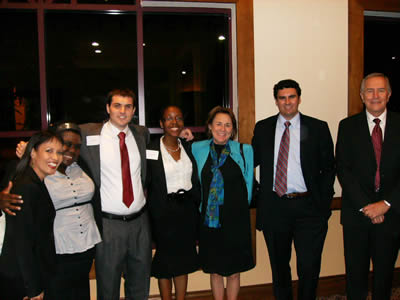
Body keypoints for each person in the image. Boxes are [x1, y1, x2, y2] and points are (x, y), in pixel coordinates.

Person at [252, 79, 335, 300]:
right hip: (275, 207)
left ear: (299, 98)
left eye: (292, 97)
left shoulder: (318, 128)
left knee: (309, 269)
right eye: (282, 98)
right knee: (279, 269)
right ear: (276, 101)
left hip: (309, 209)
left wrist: (324, 204)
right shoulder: (263, 128)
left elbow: (329, 169)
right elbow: (248, 161)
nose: (287, 102)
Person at [14, 122, 102, 300]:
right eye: (66, 144)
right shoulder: (41, 170)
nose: (71, 150)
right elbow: (15, 189)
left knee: (81, 293)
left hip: (86, 246)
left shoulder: (81, 165)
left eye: (77, 146)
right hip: (57, 250)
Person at [336, 73, 400, 300]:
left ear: (389, 95)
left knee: (384, 278)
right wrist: (367, 206)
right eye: (370, 91)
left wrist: (385, 204)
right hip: (357, 215)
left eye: (381, 90)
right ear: (362, 96)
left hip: (392, 216)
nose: (375, 96)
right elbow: (343, 170)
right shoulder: (347, 127)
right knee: (356, 278)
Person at [192, 106, 254, 300]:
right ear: (210, 126)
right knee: (215, 271)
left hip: (236, 220)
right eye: (218, 124)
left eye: (228, 125)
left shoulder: (245, 150)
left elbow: (249, 185)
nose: (223, 129)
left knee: (234, 272)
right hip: (210, 222)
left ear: (233, 129)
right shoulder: (197, 148)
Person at [0, 131, 64, 300]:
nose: (55, 157)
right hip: (20, 279)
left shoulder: (34, 180)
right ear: (33, 153)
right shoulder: (27, 187)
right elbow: (22, 242)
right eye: (49, 151)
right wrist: (33, 287)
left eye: (59, 152)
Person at [146, 105, 199, 300]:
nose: (174, 122)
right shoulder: (150, 149)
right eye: (169, 118)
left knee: (183, 261)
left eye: (178, 118)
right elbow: (145, 182)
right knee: (165, 262)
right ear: (161, 123)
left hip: (186, 211)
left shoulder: (188, 146)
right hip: (162, 212)